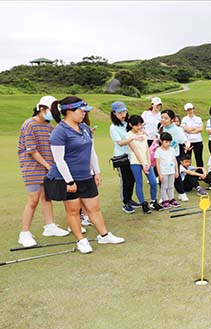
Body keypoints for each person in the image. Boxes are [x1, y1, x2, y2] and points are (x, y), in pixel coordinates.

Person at [43, 96, 124, 254]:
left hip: (86, 176)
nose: (84, 114)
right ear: (69, 111)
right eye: (81, 111)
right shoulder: (59, 131)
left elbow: (91, 151)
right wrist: (69, 181)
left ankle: (104, 235)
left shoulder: (85, 128)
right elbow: (58, 160)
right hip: (66, 178)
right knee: (73, 211)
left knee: (94, 208)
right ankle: (81, 240)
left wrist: (96, 171)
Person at [17, 96, 70, 247]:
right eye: (51, 112)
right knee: (33, 200)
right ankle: (24, 233)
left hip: (48, 166)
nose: (52, 115)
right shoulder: (29, 124)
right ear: (41, 109)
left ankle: (50, 226)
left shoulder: (49, 126)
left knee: (47, 197)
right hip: (32, 167)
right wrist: (48, 166)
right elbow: (31, 150)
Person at [109, 101, 143, 214]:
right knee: (125, 180)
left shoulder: (128, 123)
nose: (123, 114)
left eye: (124, 111)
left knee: (132, 179)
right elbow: (120, 142)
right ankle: (125, 203)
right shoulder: (113, 127)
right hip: (121, 157)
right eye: (120, 112)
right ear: (114, 113)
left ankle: (129, 199)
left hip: (132, 155)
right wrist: (133, 138)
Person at [126, 115, 164, 214]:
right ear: (131, 125)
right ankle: (143, 204)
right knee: (139, 183)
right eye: (137, 125)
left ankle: (153, 201)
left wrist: (148, 162)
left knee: (153, 182)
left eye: (141, 125)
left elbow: (147, 149)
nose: (139, 127)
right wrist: (143, 163)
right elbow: (135, 151)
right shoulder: (129, 135)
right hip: (135, 162)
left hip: (146, 162)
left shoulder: (143, 133)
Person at [158, 109, 191, 203]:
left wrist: (187, 144)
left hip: (173, 156)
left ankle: (181, 193)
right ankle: (164, 196)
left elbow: (184, 140)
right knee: (163, 176)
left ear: (171, 120)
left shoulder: (176, 129)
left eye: (166, 118)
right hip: (162, 156)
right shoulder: (161, 127)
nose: (163, 120)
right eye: (162, 117)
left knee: (175, 175)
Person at [154, 132, 178, 209]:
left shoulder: (172, 150)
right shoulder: (158, 151)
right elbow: (157, 164)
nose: (168, 144)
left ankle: (171, 199)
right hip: (164, 172)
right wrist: (159, 174)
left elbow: (175, 161)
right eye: (166, 142)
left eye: (169, 142)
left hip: (172, 171)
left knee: (171, 185)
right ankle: (165, 200)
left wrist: (176, 171)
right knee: (164, 186)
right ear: (161, 141)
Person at [181, 102, 204, 167]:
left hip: (198, 141)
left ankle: (200, 173)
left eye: (191, 109)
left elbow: (200, 129)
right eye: (188, 110)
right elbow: (185, 129)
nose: (190, 111)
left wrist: (190, 130)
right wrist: (195, 128)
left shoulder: (198, 118)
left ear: (193, 109)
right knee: (187, 159)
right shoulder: (184, 119)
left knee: (199, 159)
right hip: (188, 142)